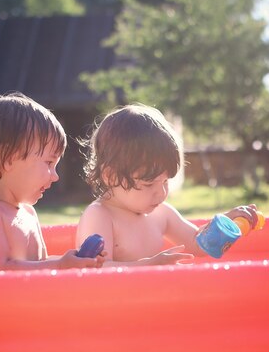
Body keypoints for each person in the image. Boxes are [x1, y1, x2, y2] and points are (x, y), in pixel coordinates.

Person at [76, 103, 258, 266]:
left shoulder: (162, 213)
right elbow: (93, 270)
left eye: (165, 181)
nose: (162, 193)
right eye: (149, 184)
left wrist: (226, 222)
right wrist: (147, 266)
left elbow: (198, 245)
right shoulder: (100, 216)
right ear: (111, 176)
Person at [0, 92, 105, 271]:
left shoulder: (29, 213)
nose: (55, 176)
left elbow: (39, 265)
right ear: (8, 158)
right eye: (49, 163)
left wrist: (76, 262)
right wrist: (61, 265)